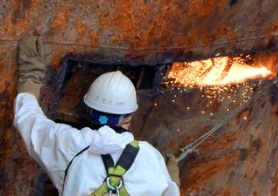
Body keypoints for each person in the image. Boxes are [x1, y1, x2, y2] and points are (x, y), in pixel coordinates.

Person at [14, 35, 180, 196]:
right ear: (129, 115)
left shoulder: (70, 145)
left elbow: (29, 121)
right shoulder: (151, 158)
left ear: (89, 110)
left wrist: (31, 77)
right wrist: (172, 185)